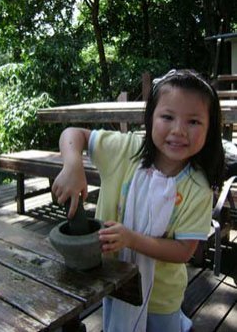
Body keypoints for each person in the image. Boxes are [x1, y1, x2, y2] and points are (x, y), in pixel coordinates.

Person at [52, 69, 225, 332]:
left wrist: (131, 239)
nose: (178, 130)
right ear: (150, 118)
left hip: (161, 299)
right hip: (114, 282)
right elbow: (73, 134)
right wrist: (73, 165)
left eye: (194, 121)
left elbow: (183, 251)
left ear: (210, 128)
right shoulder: (125, 150)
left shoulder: (197, 186)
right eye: (167, 116)